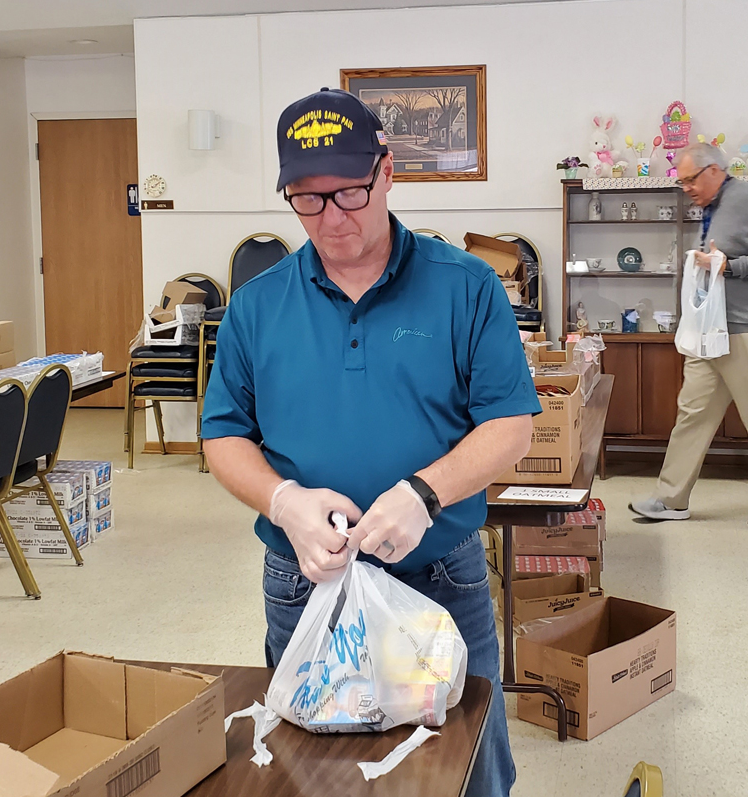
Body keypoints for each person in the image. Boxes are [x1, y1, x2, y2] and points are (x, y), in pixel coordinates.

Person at [201, 87, 539, 797]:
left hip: (439, 574)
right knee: (316, 772)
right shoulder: (258, 305)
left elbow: (511, 424)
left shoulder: (466, 286)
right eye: (307, 199)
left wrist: (425, 493)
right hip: (306, 578)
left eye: (350, 193)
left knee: (466, 766)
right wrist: (283, 502)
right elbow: (223, 435)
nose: (331, 218)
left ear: (387, 173)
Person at [629, 142, 748, 532]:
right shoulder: (715, 206)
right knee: (692, 414)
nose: (687, 189)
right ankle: (671, 499)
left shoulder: (746, 199)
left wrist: (731, 266)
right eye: (681, 183)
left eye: (690, 180)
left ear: (714, 170)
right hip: (713, 330)